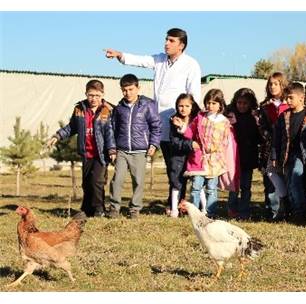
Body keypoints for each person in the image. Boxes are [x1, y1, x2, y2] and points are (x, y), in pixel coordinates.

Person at [104, 28, 202, 209]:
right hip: (158, 123)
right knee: (170, 166)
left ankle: (178, 204)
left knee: (177, 166)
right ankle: (174, 202)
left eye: (171, 41)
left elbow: (193, 95)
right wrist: (120, 55)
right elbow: (141, 60)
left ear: (181, 45)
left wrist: (188, 121)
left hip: (179, 123)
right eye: (166, 39)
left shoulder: (191, 64)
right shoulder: (159, 59)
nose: (166, 43)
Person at [47, 80, 116, 217]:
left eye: (97, 95)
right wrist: (58, 136)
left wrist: (112, 150)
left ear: (102, 94)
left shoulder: (107, 110)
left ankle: (99, 209)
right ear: (86, 94)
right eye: (91, 95)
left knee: (97, 181)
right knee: (86, 183)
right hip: (86, 153)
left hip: (101, 154)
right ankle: (86, 209)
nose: (94, 98)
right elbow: (72, 127)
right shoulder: (79, 109)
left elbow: (110, 133)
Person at [108, 74, 161, 219]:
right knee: (117, 180)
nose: (128, 93)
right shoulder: (119, 109)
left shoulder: (148, 105)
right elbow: (112, 129)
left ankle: (134, 209)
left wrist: (154, 144)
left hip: (140, 151)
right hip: (122, 150)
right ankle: (114, 208)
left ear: (138, 88)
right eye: (124, 90)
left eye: (131, 89)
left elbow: (156, 126)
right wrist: (112, 149)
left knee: (138, 181)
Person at [272, 83, 306, 224]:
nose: (287, 101)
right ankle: (293, 210)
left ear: (301, 98)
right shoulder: (284, 117)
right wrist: (275, 155)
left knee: (295, 179)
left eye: (290, 98)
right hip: (286, 155)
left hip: (303, 155)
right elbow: (277, 138)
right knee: (291, 184)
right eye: (286, 98)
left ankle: (299, 213)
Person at [182, 89, 231, 217]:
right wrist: (182, 129)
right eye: (208, 103)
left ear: (220, 104)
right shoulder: (200, 117)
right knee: (196, 187)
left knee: (211, 188)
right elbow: (190, 131)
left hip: (215, 160)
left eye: (214, 103)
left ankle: (211, 212)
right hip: (199, 158)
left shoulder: (225, 121)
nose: (210, 106)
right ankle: (194, 212)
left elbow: (226, 142)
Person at [225, 88, 262, 220]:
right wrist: (233, 124)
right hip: (233, 157)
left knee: (246, 187)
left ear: (250, 104)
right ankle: (232, 209)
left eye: (245, 103)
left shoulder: (254, 118)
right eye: (239, 102)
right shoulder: (230, 117)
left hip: (248, 157)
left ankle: (244, 211)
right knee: (233, 186)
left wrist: (258, 124)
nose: (242, 106)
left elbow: (258, 138)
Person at [258, 72, 290, 221]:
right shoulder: (264, 106)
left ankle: (287, 209)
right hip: (269, 147)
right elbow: (262, 127)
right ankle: (273, 210)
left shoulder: (289, 103)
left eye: (276, 84)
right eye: (270, 84)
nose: (272, 87)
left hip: (286, 146)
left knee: (285, 177)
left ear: (282, 85)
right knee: (270, 179)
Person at [168, 93, 201, 217]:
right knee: (177, 183)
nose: (183, 109)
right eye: (180, 106)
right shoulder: (174, 120)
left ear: (192, 106)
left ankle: (198, 209)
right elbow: (174, 142)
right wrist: (190, 145)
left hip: (195, 157)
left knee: (197, 184)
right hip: (178, 157)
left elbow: (199, 137)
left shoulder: (198, 119)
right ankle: (174, 209)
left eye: (187, 106)